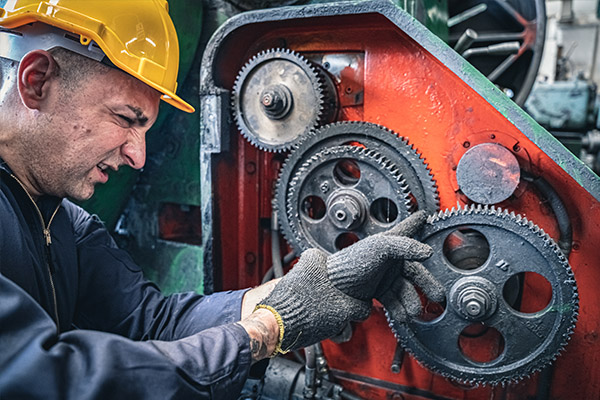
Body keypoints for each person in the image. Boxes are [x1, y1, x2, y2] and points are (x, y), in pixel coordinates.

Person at [0, 1, 444, 399]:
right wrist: (268, 330)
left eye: (145, 130)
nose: (138, 156)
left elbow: (151, 321)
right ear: (37, 81)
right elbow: (49, 377)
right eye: (124, 119)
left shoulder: (63, 219)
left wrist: (317, 284)